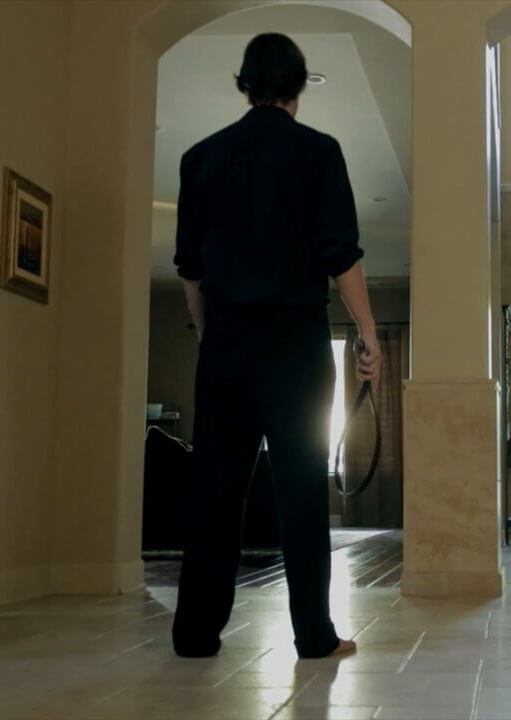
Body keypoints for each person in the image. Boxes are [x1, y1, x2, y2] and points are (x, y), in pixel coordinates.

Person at [170, 32, 380, 660]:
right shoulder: (319, 152)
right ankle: (313, 636)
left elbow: (190, 271)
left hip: (227, 344)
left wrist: (209, 335)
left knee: (216, 490)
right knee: (302, 491)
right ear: (297, 85)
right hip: (296, 347)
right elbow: (341, 257)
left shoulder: (200, 159)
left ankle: (194, 634)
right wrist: (368, 333)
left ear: (245, 84)